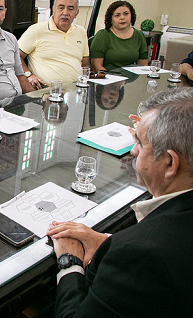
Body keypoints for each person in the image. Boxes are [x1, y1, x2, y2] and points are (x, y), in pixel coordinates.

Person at [47, 86, 193, 317]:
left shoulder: (140, 256)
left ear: (170, 163)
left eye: (141, 143)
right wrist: (108, 242)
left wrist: (70, 262)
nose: (133, 151)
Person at [18, 0, 90, 89]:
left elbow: (85, 64)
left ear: (76, 13)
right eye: (61, 8)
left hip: (76, 91)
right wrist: (29, 75)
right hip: (47, 93)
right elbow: (15, 55)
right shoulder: (36, 30)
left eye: (70, 8)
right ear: (53, 10)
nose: (65, 13)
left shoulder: (81, 31)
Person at [90, 0, 148, 72]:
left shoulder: (139, 35)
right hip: (108, 79)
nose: (122, 18)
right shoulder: (103, 35)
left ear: (131, 16)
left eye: (126, 14)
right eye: (117, 15)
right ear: (111, 19)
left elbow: (143, 66)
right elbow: (96, 66)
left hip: (131, 80)